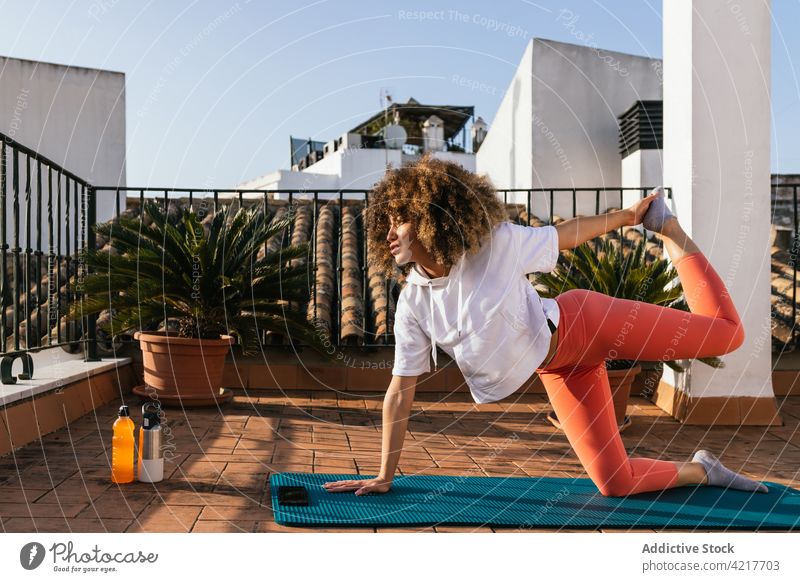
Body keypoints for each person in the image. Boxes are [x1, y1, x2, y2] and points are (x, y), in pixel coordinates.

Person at [322, 154, 769, 498]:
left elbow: (565, 234)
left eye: (399, 219)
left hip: (584, 324)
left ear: (431, 214)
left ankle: (671, 229)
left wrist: (629, 218)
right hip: (560, 369)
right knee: (616, 483)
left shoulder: (494, 246)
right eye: (386, 222)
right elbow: (400, 389)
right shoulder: (413, 304)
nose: (388, 234)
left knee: (727, 335)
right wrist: (384, 473)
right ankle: (704, 469)